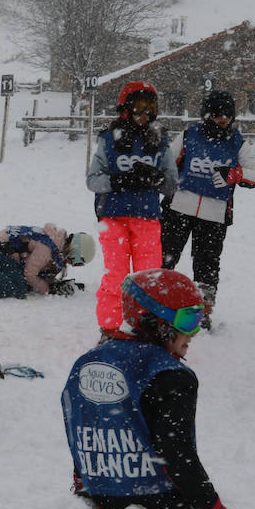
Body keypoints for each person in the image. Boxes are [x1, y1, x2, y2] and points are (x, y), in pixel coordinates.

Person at [61, 268, 232, 509]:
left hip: (98, 489)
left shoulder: (87, 363)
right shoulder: (169, 375)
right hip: (153, 496)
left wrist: (80, 479)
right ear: (158, 322)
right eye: (188, 321)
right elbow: (176, 453)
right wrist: (212, 506)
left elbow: (77, 425)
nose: (193, 333)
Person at [160, 90, 255, 328]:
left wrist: (236, 174)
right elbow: (166, 163)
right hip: (179, 207)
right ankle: (157, 300)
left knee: (207, 266)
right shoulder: (189, 135)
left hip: (214, 214)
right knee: (165, 258)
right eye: (217, 115)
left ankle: (201, 311)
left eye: (227, 115)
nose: (223, 120)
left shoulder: (237, 142)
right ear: (207, 115)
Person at [86, 81, 178, 338]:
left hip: (147, 218)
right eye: (138, 107)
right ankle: (110, 328)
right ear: (125, 109)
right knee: (116, 277)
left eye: (149, 108)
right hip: (113, 217)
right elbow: (92, 180)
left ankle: (148, 328)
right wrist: (118, 181)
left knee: (149, 279)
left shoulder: (160, 141)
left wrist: (156, 179)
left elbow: (172, 185)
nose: (144, 114)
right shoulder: (108, 140)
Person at [0, 225, 96, 298]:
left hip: (5, 252)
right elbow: (30, 273)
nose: (72, 265)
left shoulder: (55, 243)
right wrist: (47, 289)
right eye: (77, 262)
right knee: (18, 288)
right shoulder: (47, 248)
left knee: (22, 282)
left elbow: (39, 272)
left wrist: (53, 284)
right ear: (74, 252)